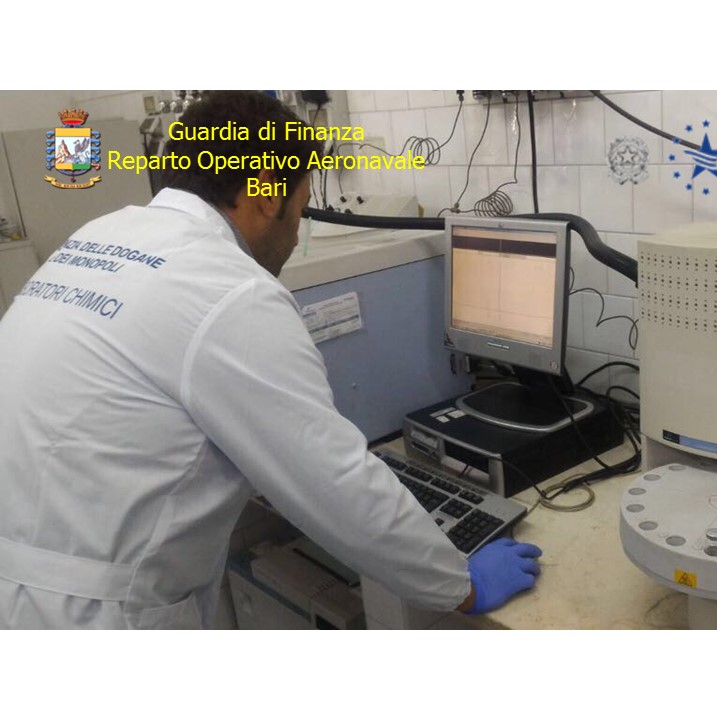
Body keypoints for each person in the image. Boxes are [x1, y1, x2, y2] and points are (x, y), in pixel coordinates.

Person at [0, 91, 541, 629]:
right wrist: (461, 584)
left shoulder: (102, 235)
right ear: (264, 193)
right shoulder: (230, 290)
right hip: (92, 615)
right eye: (300, 208)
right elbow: (335, 487)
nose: (296, 231)